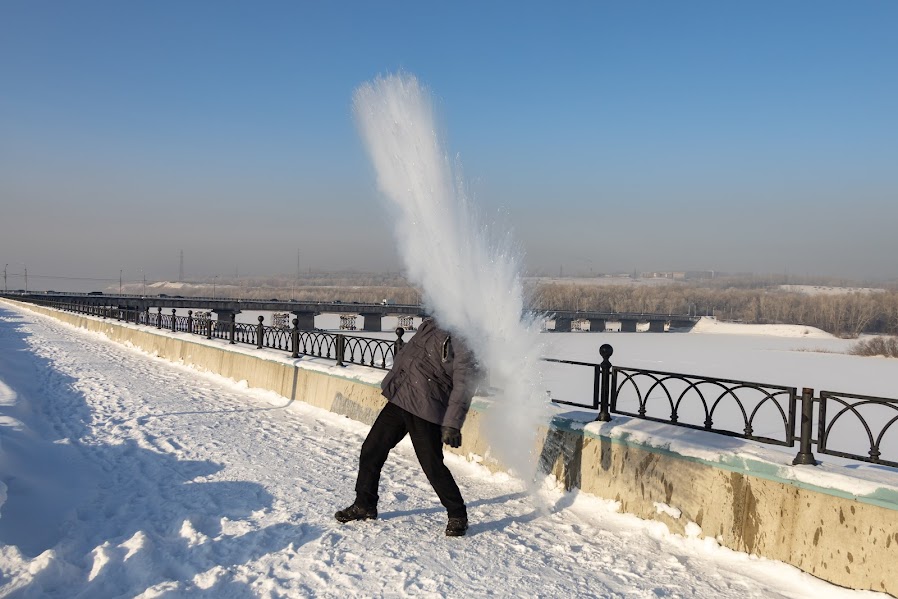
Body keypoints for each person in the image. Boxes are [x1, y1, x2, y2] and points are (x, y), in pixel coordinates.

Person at [335, 317, 478, 537]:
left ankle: (457, 514)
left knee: (431, 464)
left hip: (426, 405)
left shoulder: (464, 337)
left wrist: (452, 423)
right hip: (401, 397)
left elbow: (464, 384)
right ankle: (364, 504)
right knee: (371, 449)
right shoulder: (433, 323)